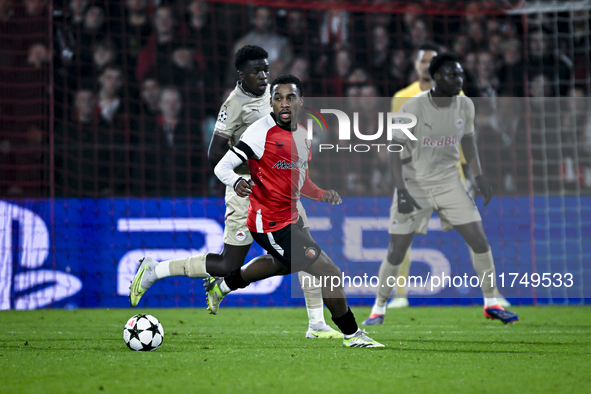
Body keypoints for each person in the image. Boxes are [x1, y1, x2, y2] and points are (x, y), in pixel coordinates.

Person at [130, 46, 341, 339]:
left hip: (280, 191)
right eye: (256, 71)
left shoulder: (272, 97)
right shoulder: (234, 104)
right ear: (241, 74)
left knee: (305, 248)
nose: (264, 76)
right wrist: (236, 181)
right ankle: (156, 270)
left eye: (266, 69)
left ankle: (316, 324)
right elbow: (215, 152)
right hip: (248, 194)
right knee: (228, 263)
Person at [207, 74, 384, 348]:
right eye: (277, 98)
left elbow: (301, 181)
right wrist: (238, 181)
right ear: (271, 102)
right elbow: (221, 167)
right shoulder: (258, 133)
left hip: (290, 217)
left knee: (281, 264)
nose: (284, 103)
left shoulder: (302, 135)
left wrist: (322, 194)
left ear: (301, 101)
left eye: (290, 98)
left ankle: (224, 286)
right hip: (269, 223)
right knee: (329, 272)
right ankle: (352, 334)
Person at [364, 53, 519, 325]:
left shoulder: (466, 105)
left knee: (479, 239)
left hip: (450, 182)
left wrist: (479, 176)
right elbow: (393, 150)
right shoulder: (412, 107)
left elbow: (469, 141)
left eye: (460, 74)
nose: (459, 79)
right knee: (397, 249)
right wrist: (400, 190)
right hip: (414, 183)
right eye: (452, 75)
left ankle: (491, 302)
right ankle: (378, 307)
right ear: (436, 78)